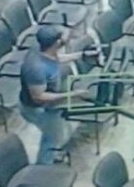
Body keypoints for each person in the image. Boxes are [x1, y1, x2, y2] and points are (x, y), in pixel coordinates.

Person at [18, 26, 94, 164]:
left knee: (59, 132)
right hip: (37, 110)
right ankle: (44, 166)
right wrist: (71, 94)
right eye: (61, 39)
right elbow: (38, 97)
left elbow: (56, 58)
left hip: (49, 103)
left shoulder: (43, 50)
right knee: (53, 137)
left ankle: (50, 157)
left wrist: (80, 55)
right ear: (56, 43)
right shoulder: (36, 68)